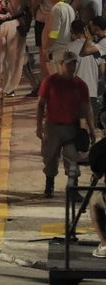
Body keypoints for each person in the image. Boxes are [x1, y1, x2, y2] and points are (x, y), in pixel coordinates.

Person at [37, 51, 94, 198]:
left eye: (74, 63)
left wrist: (91, 129)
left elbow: (87, 107)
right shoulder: (50, 82)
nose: (71, 66)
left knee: (73, 159)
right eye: (68, 63)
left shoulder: (80, 85)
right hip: (53, 126)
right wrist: (39, 126)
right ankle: (49, 185)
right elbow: (41, 104)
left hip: (71, 128)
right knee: (50, 157)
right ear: (60, 64)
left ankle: (73, 189)